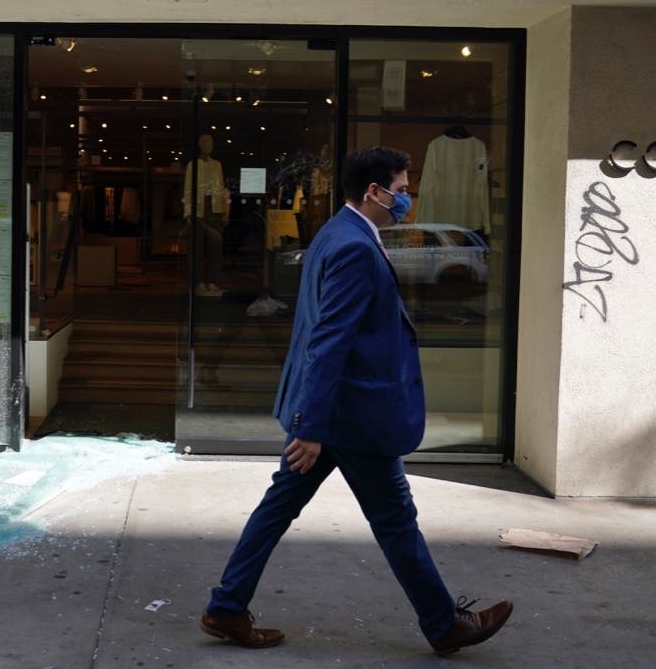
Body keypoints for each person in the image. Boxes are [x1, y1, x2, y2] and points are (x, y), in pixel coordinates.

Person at [199, 146, 512, 656]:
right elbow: (329, 340)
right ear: (374, 192)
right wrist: (311, 428)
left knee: (279, 509)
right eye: (404, 190)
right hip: (349, 416)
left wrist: (308, 421)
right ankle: (444, 625)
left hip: (331, 413)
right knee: (394, 520)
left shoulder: (337, 232)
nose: (408, 199)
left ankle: (227, 607)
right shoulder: (354, 247)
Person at [183, 133, 227, 296]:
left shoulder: (217, 165)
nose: (209, 145)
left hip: (214, 208)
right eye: (205, 142)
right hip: (198, 210)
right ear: (200, 144)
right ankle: (198, 281)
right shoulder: (192, 165)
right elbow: (188, 189)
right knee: (197, 248)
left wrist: (223, 211)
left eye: (211, 142)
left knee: (215, 247)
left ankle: (212, 281)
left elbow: (220, 187)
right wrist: (188, 212)